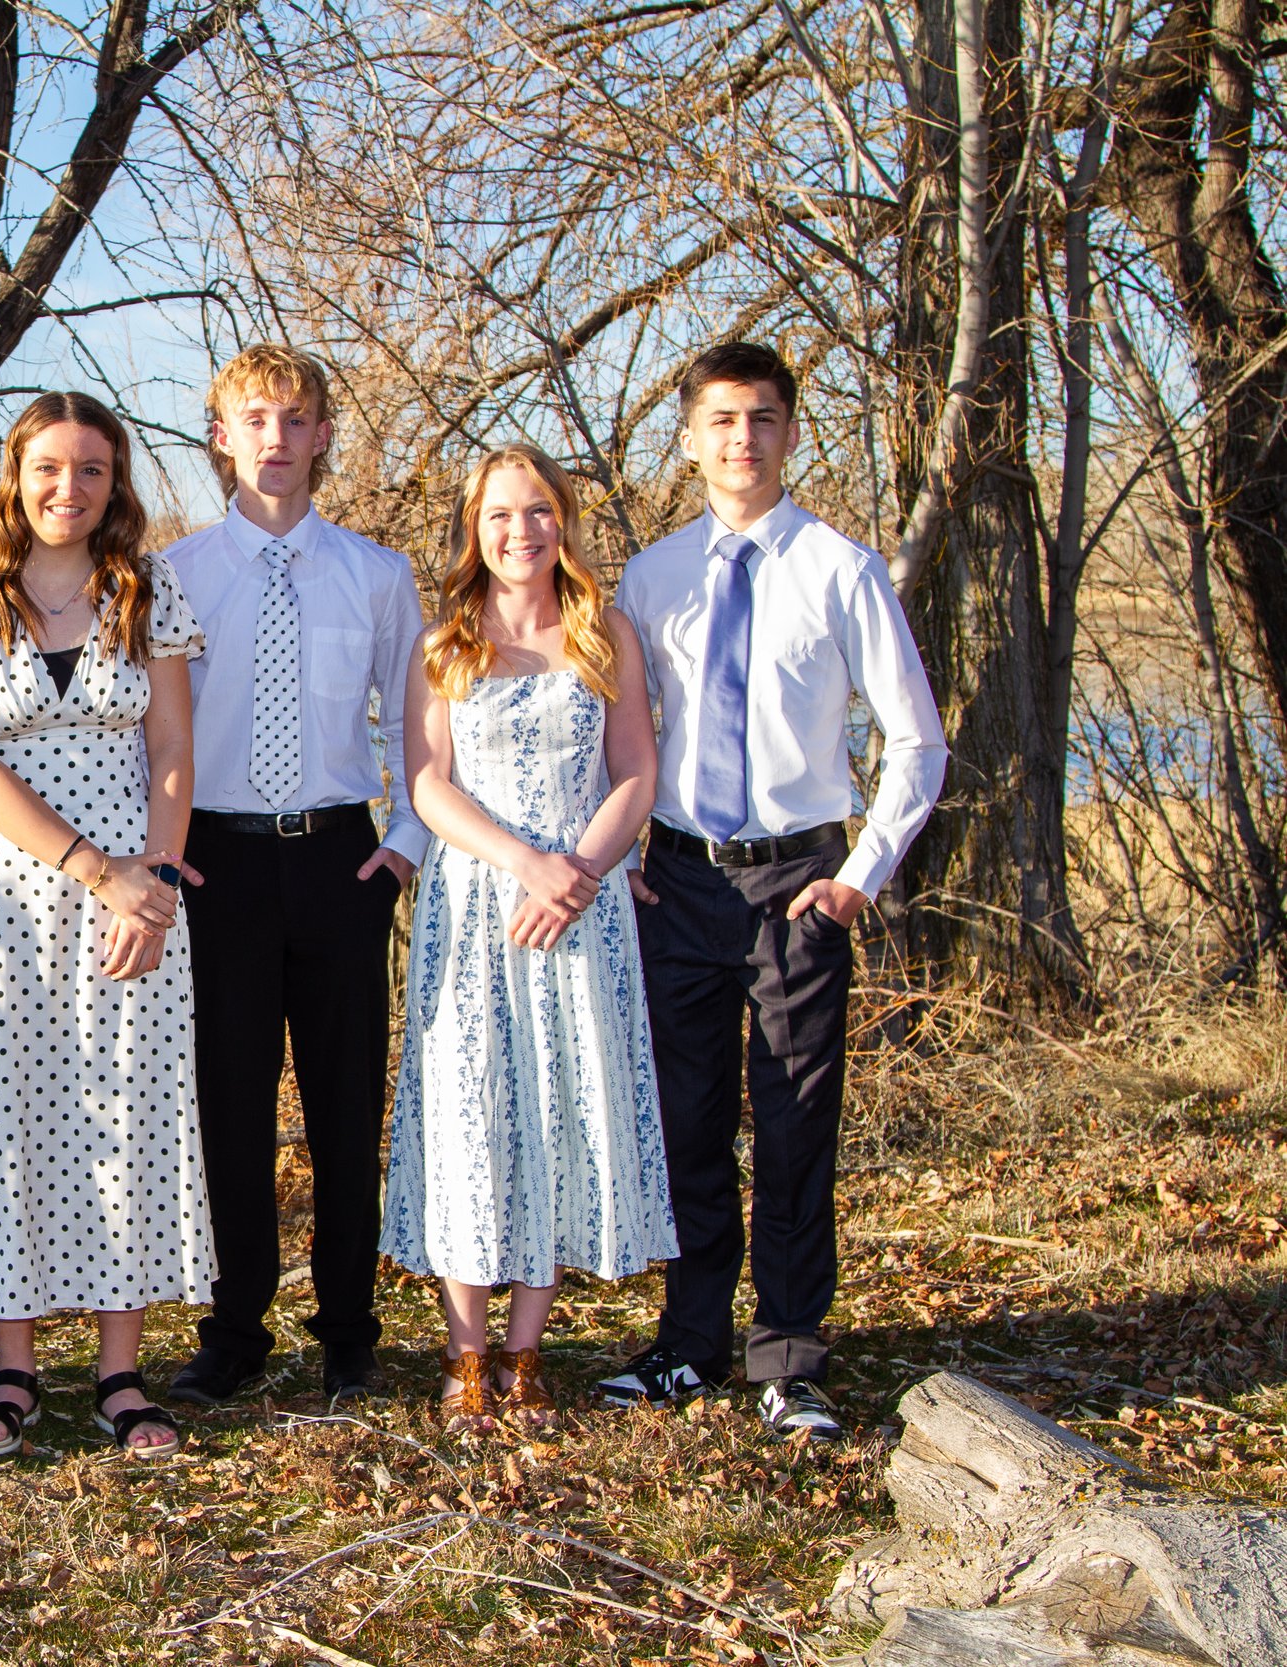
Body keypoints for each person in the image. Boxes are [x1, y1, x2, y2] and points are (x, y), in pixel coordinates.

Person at [603, 340, 947, 1440]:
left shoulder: (840, 570)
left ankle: (789, 1355)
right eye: (718, 420)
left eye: (759, 418)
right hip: (680, 882)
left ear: (790, 432)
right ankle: (691, 1342)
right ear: (690, 436)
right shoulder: (649, 578)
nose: (739, 438)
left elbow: (917, 740)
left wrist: (856, 879)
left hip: (801, 878)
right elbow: (615, 738)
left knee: (795, 1122)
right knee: (688, 1121)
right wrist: (618, 861)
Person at [0, 392, 214, 1460]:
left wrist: (157, 876)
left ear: (114, 482)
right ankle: (13, 1367)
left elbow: (173, 744)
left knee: (126, 1116)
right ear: (15, 473)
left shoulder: (148, 589)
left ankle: (121, 1371)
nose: (67, 488)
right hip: (8, 902)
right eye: (48, 466)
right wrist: (93, 870)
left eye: (90, 469)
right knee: (12, 1117)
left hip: (138, 896)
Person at [382, 443, 679, 1425]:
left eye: (538, 511)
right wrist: (525, 864)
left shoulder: (606, 636)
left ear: (563, 522)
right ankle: (463, 1355)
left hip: (580, 917)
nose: (521, 531)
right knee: (472, 1120)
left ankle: (524, 1354)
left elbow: (635, 770)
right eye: (501, 514)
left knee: (559, 1116)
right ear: (475, 527)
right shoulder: (444, 644)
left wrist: (580, 871)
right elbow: (426, 784)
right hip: (476, 910)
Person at [156, 345, 424, 1406]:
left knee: (345, 1101)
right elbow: (150, 735)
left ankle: (350, 1327)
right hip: (213, 861)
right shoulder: (173, 573)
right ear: (221, 434)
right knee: (226, 1101)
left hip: (336, 855)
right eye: (253, 417)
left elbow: (413, 728)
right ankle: (234, 1327)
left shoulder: (375, 573)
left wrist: (399, 846)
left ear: (322, 436)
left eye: (295, 418)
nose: (275, 436)